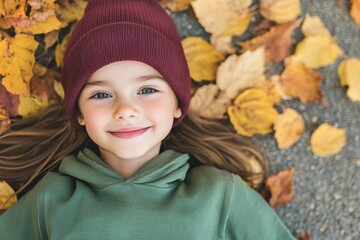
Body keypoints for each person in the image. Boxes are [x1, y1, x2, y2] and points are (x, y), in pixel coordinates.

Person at [0, 0, 295, 239]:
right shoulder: (52, 200)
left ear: (178, 103)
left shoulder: (219, 196)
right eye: (101, 95)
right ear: (78, 112)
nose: (126, 109)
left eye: (147, 89)